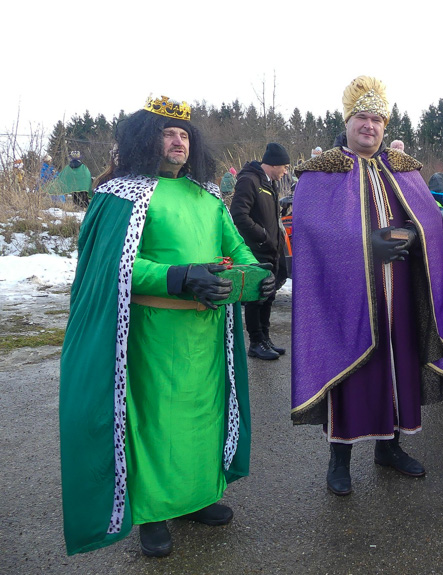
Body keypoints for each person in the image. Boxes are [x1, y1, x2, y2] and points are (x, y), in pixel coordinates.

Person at [58, 95, 275, 557]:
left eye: (184, 135)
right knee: (156, 422)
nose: (178, 141)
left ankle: (195, 497)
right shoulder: (121, 196)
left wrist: (258, 276)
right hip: (153, 333)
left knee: (204, 416)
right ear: (144, 140)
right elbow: (111, 265)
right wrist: (177, 276)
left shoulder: (207, 195)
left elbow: (234, 248)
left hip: (207, 333)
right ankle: (154, 514)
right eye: (167, 133)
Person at [290, 76, 443, 496]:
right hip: (348, 299)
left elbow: (429, 224)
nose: (369, 126)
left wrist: (411, 237)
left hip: (402, 293)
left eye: (377, 120)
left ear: (386, 127)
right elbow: (312, 232)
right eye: (362, 118)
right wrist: (366, 248)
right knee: (351, 373)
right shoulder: (321, 172)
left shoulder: (404, 170)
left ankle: (391, 448)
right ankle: (340, 459)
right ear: (347, 121)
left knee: (399, 366)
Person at [230, 142, 291, 360]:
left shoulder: (269, 184)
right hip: (257, 250)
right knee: (257, 297)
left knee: (269, 294)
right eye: (284, 166)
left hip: (272, 250)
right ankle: (255, 342)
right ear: (273, 164)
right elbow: (238, 214)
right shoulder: (250, 181)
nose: (285, 171)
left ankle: (265, 338)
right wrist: (263, 236)